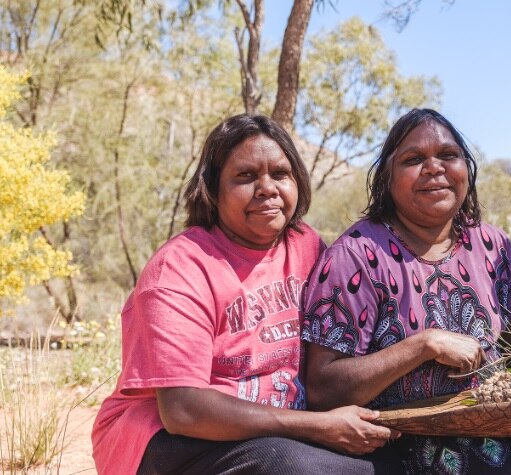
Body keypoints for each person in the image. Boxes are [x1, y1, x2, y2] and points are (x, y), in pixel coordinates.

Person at [301, 108, 511, 474]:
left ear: (466, 169)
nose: (434, 168)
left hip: (503, 430)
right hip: (399, 445)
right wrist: (422, 345)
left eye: (448, 155)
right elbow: (322, 390)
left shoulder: (494, 247)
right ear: (387, 179)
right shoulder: (356, 256)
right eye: (413, 159)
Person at [91, 114, 400, 475]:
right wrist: (319, 426)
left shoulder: (308, 247)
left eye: (280, 174)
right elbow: (183, 410)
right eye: (246, 176)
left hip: (274, 435)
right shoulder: (180, 268)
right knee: (294, 468)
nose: (267, 188)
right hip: (163, 438)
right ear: (212, 188)